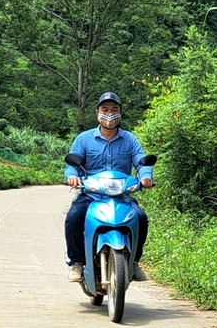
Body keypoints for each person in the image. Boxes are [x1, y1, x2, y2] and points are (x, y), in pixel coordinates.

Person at [63, 91, 152, 282]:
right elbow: (72, 164)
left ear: (120, 113)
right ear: (97, 113)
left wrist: (145, 177)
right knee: (74, 217)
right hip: (91, 194)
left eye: (114, 110)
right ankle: (76, 262)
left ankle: (134, 262)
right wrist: (72, 177)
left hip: (122, 196)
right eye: (105, 109)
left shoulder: (130, 139)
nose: (109, 114)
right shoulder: (84, 139)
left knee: (141, 218)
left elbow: (141, 162)